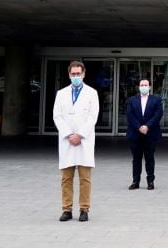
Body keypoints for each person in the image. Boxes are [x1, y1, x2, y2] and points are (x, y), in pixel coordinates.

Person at [52, 60, 99, 222]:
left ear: (84, 74)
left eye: (79, 74)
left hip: (84, 140)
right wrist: (68, 134)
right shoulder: (61, 93)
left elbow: (93, 116)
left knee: (85, 178)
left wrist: (80, 135)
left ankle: (84, 209)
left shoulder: (92, 93)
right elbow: (57, 116)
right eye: (73, 74)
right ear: (69, 75)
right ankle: (67, 209)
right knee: (66, 178)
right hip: (67, 141)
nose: (76, 76)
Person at [126, 77, 163, 190]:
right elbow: (129, 115)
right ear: (139, 87)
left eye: (146, 85)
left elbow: (158, 114)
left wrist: (147, 126)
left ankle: (150, 182)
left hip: (150, 134)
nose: (144, 87)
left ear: (150, 87)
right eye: (142, 85)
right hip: (135, 134)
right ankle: (135, 181)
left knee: (149, 159)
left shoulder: (156, 100)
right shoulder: (132, 100)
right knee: (136, 159)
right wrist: (139, 127)